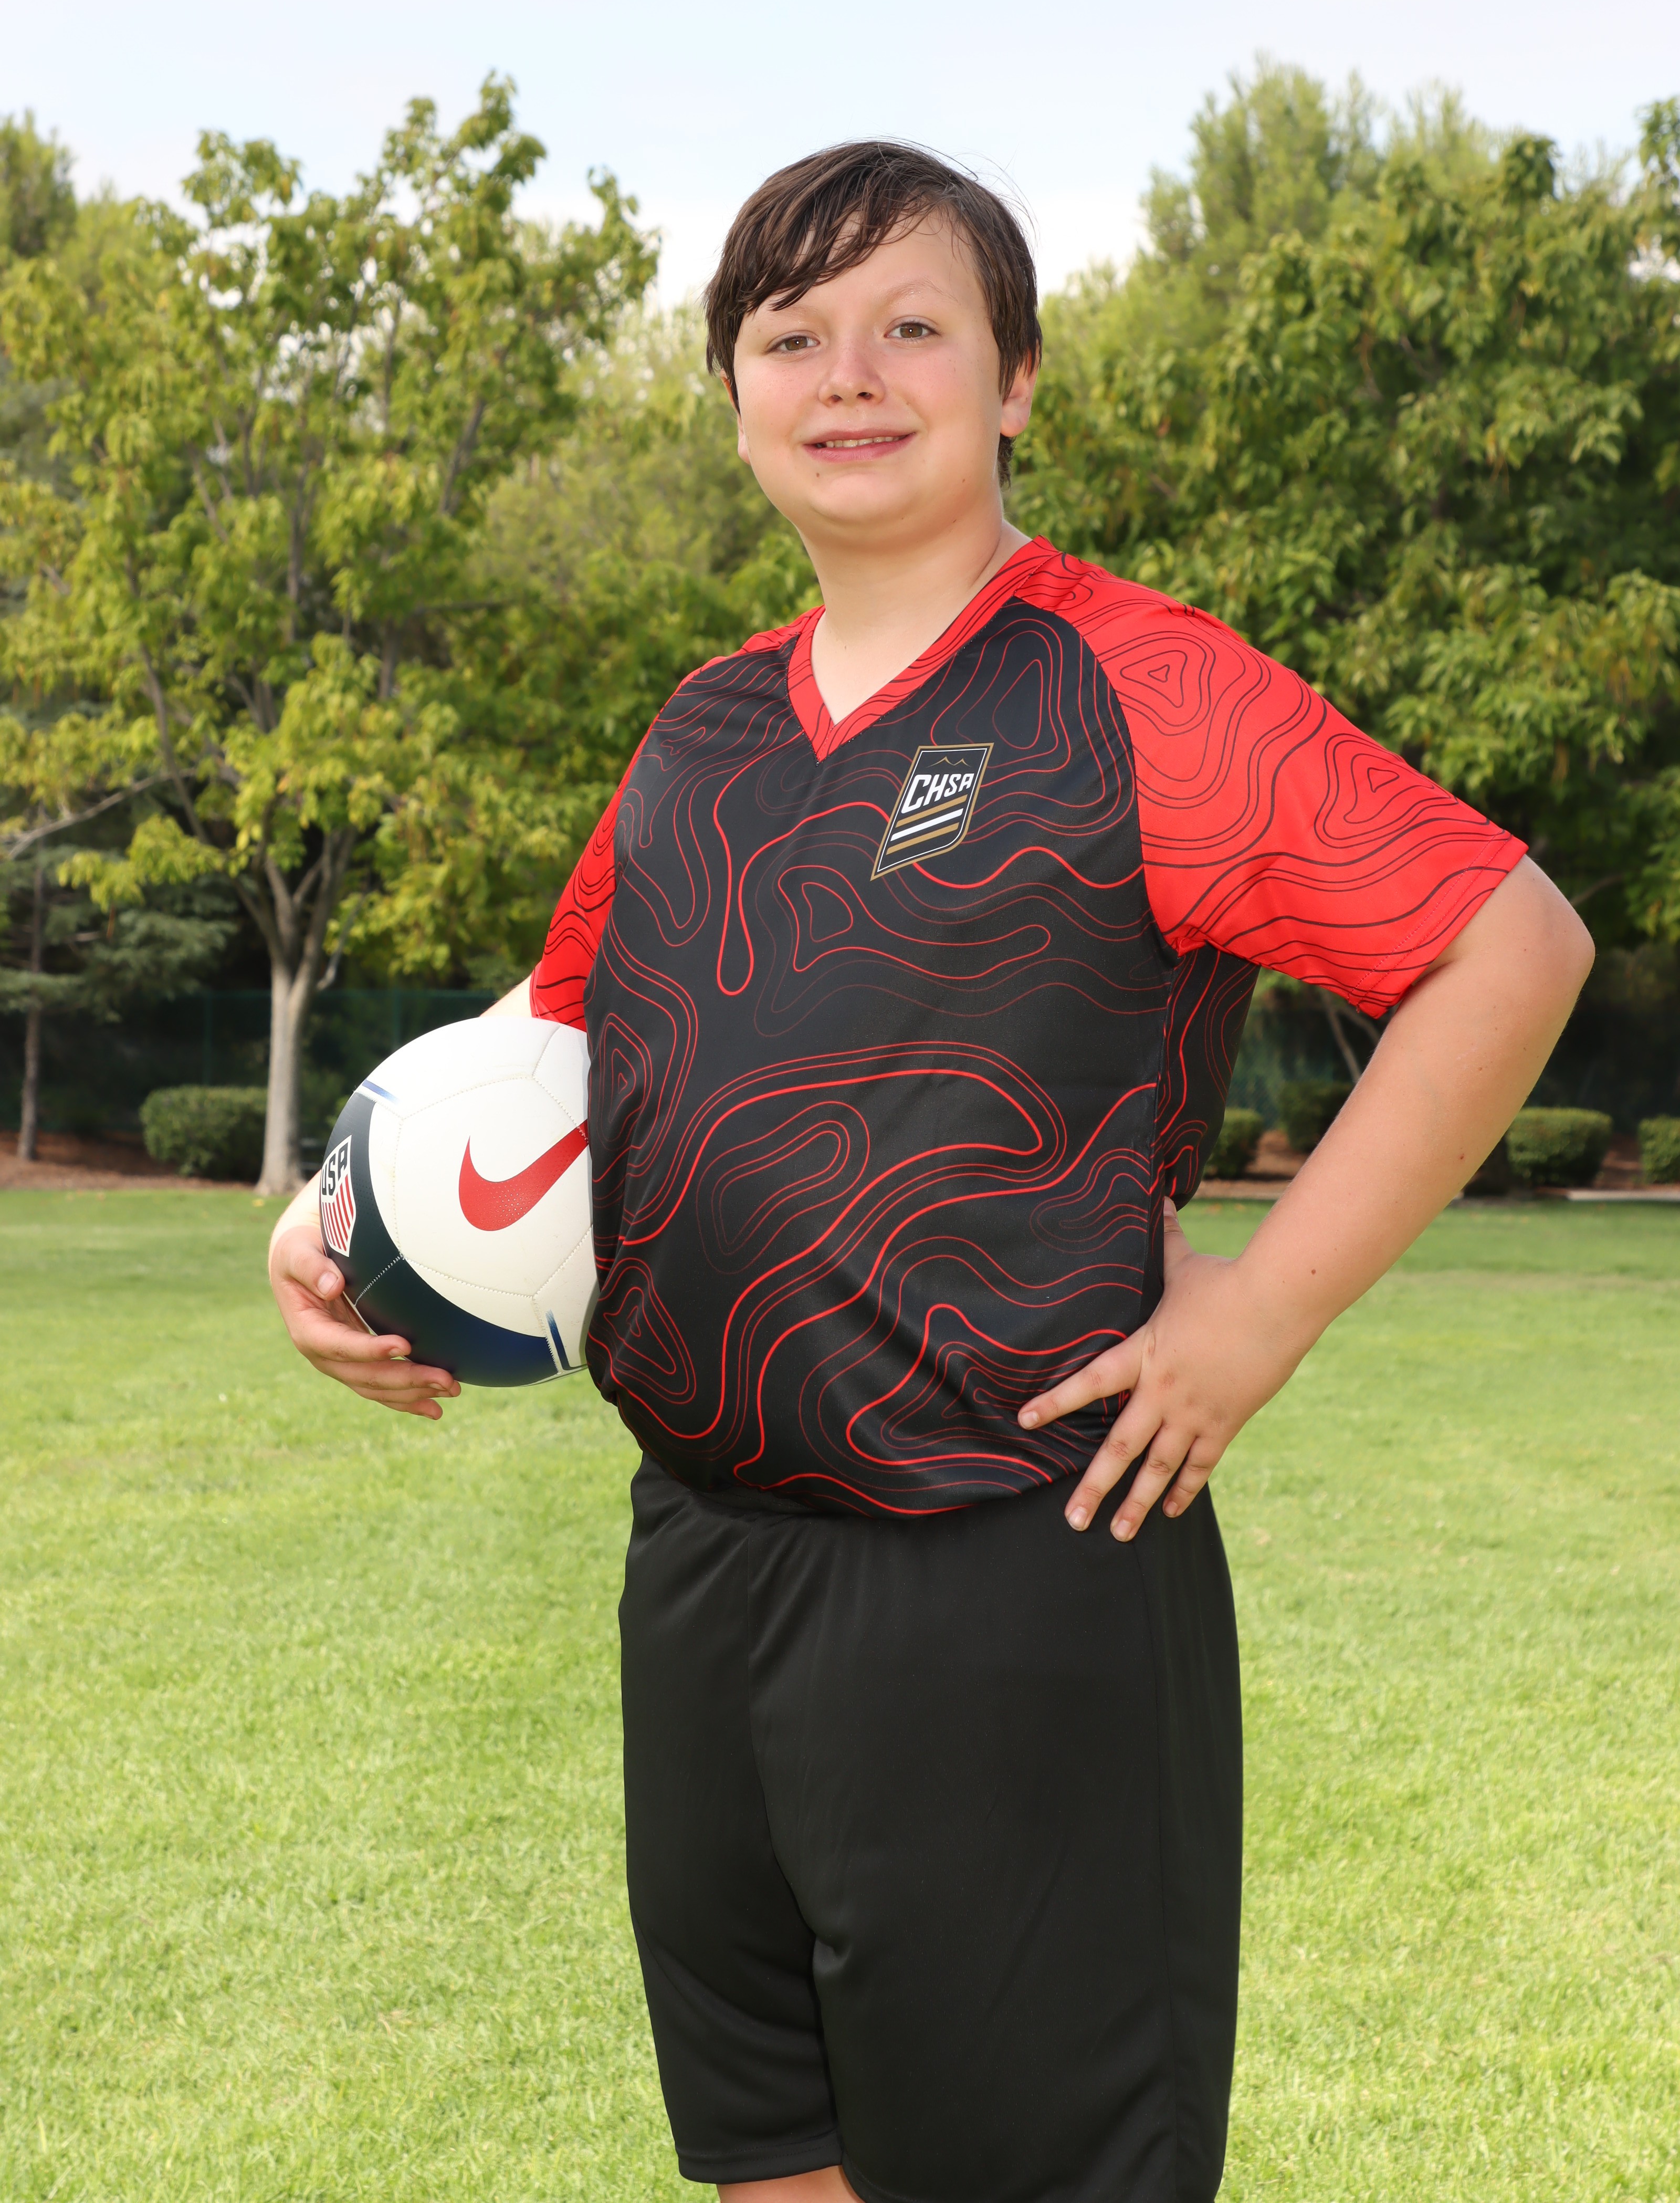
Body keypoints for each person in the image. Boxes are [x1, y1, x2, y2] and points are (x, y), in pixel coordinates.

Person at [268, 141, 1593, 2203]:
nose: (850, 376)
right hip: (702, 1564)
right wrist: (328, 1229)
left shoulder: (1136, 687)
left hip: (1009, 1563)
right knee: (772, 2158)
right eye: (791, 335)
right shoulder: (701, 733)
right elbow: (544, 1054)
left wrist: (1260, 1312)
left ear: (1015, 377)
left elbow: (1508, 947)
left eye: (911, 326)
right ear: (733, 391)